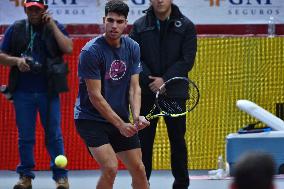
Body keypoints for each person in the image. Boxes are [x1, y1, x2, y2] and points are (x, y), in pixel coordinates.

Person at [74, 1, 149, 189]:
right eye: (110, 20)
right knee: (110, 168)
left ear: (126, 24)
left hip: (120, 118)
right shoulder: (91, 51)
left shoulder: (132, 47)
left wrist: (137, 116)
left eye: (119, 21)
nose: (114, 26)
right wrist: (120, 125)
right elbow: (95, 96)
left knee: (139, 168)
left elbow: (134, 87)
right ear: (104, 20)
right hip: (91, 119)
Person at [0, 0, 73, 188]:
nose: (33, 12)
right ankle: (25, 176)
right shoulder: (16, 28)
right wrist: (17, 61)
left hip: (48, 92)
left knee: (54, 135)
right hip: (22, 93)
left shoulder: (54, 27)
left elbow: (69, 48)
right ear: (25, 9)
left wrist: (52, 26)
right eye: (30, 8)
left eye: (37, 9)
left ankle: (61, 177)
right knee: (25, 136)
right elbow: (1, 55)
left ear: (45, 10)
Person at [129, 0, 197, 188]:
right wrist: (151, 81)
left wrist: (165, 80)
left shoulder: (186, 26)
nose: (160, 0)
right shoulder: (139, 26)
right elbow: (134, 57)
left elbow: (187, 60)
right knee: (143, 143)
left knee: (177, 141)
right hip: (147, 93)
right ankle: (142, 183)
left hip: (174, 93)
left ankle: (181, 184)